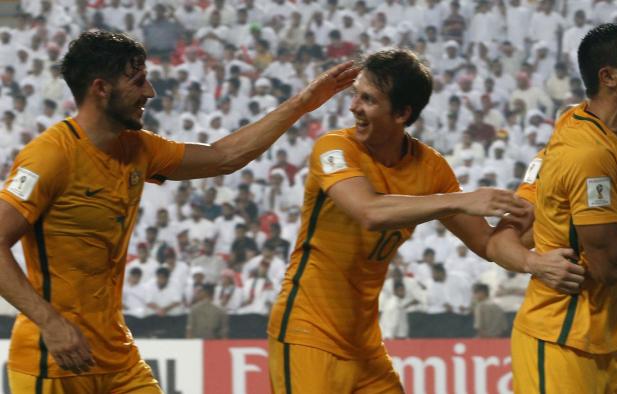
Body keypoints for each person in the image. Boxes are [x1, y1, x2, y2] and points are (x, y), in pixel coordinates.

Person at [0, 31, 357, 393]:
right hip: (54, 359)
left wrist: (303, 103)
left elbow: (223, 157)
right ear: (100, 88)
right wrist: (50, 322)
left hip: (117, 358)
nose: (150, 92)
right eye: (138, 82)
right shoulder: (50, 156)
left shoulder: (139, 148)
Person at [266, 48, 575, 393]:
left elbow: (490, 245)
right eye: (356, 94)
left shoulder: (430, 167)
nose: (354, 106)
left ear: (401, 113)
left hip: (364, 345)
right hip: (307, 334)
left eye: (368, 99)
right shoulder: (334, 148)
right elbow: (369, 212)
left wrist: (544, 200)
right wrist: (459, 200)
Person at [491, 24, 617, 393]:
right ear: (608, 77)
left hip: (608, 346)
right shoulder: (587, 154)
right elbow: (607, 269)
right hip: (562, 342)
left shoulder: (607, 132)